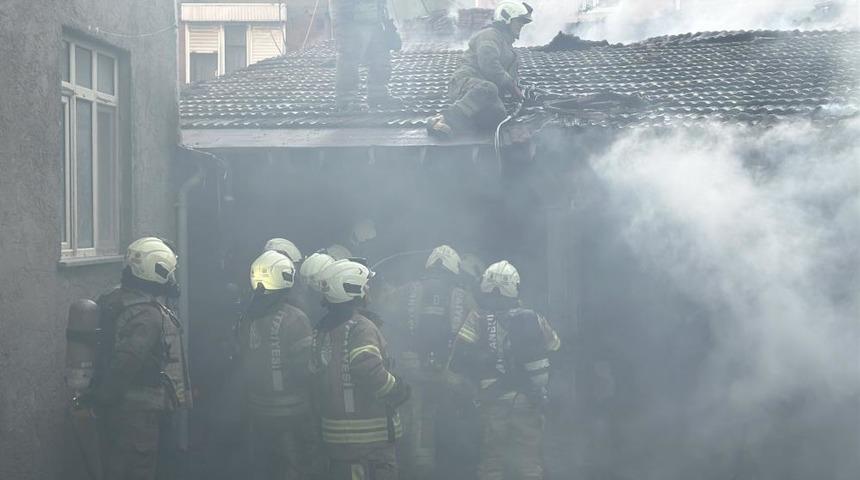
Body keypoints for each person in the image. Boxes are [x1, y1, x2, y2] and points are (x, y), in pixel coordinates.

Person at [87, 237, 192, 480]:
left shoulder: (116, 297)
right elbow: (127, 361)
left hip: (121, 409)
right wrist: (104, 397)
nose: (171, 279)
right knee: (137, 470)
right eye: (167, 271)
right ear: (154, 270)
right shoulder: (146, 315)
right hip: (137, 414)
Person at [452, 260, 561, 480]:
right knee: (529, 463)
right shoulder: (534, 318)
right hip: (528, 400)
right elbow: (556, 348)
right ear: (515, 288)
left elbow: (459, 358)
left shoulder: (476, 318)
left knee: (492, 463)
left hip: (491, 400)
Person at [384, 245, 479, 480]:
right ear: (454, 270)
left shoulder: (404, 292)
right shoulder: (464, 296)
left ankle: (417, 472)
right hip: (449, 374)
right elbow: (477, 334)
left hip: (411, 371)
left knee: (414, 425)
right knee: (450, 422)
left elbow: (386, 323)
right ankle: (447, 471)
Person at [311, 259, 411, 479]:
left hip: (335, 439)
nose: (369, 289)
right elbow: (367, 368)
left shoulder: (322, 329)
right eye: (365, 285)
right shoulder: (361, 327)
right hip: (369, 444)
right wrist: (396, 389)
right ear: (353, 288)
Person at [237, 250, 324, 480]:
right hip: (293, 412)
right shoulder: (295, 318)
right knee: (298, 465)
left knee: (266, 466)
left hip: (258, 409)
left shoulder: (247, 318)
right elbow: (306, 368)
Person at [427, 2, 533, 138]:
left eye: (522, 24)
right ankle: (441, 119)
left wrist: (520, 90)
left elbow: (510, 80)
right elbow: (489, 65)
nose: (520, 26)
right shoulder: (490, 35)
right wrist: (512, 87)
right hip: (465, 83)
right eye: (518, 22)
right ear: (506, 19)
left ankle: (451, 129)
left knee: (499, 113)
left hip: (486, 95)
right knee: (488, 88)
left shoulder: (510, 53)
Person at [330, 0, 402, 110]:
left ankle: (378, 94)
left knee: (381, 57)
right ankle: (346, 100)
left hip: (375, 18)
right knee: (350, 59)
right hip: (351, 19)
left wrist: (384, 17)